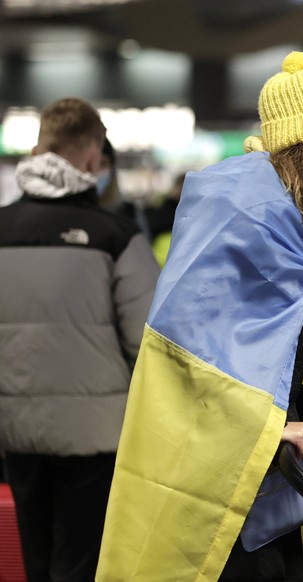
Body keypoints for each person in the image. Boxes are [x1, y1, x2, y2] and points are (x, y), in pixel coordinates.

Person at [96, 51, 303, 581]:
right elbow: (194, 363)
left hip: (264, 472)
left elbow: (273, 356)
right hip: (213, 470)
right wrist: (275, 426)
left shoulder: (302, 228)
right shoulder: (242, 216)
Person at [0, 97, 160, 582]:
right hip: (97, 438)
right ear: (93, 157)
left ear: (36, 149)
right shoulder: (116, 235)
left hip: (16, 430)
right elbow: (149, 343)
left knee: (36, 562)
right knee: (84, 565)